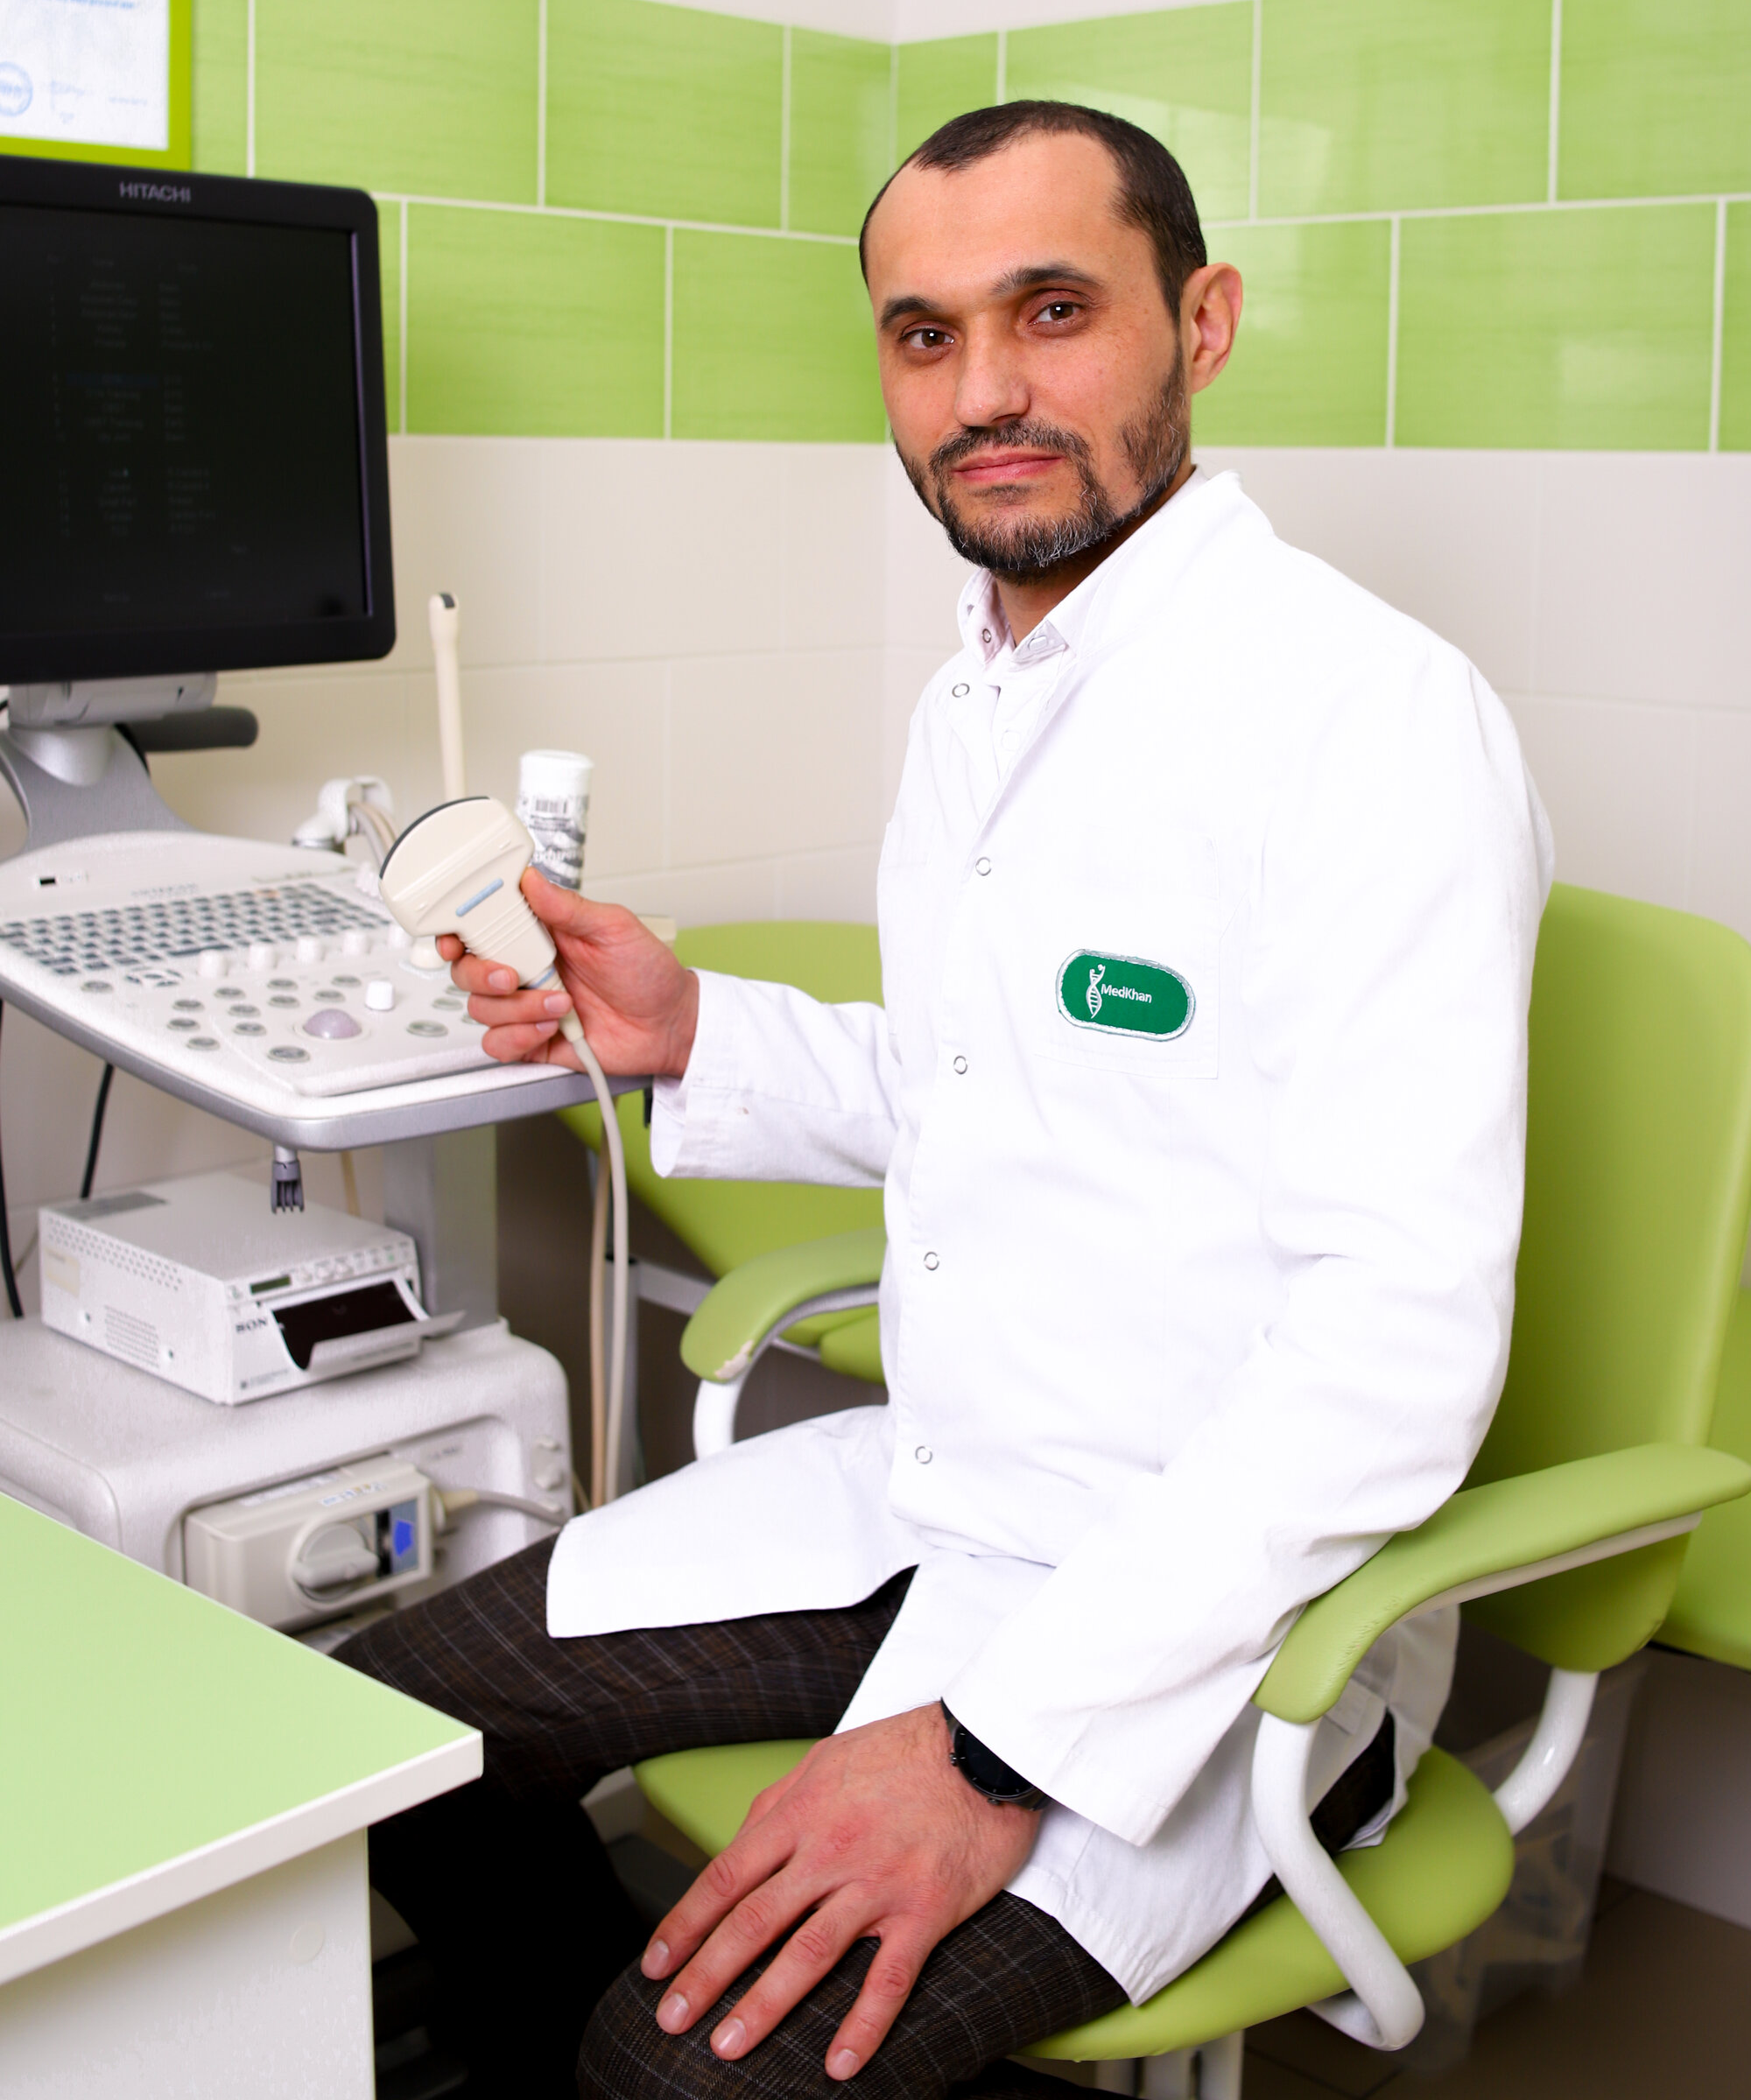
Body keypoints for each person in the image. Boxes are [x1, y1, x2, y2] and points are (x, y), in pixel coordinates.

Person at [346, 102, 1551, 2099]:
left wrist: (990, 1754)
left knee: (681, 2074)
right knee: (380, 1742)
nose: (983, 389)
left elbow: (1397, 1348)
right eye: (924, 335)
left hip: (1219, 1627)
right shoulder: (985, 689)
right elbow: (988, 1088)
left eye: (1052, 310)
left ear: (1201, 322)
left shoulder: (1369, 721)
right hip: (944, 1494)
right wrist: (687, 1028)